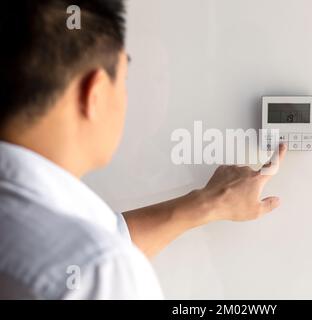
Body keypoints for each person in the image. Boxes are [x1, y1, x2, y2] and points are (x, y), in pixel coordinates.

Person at [0, 0, 286, 299]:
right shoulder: (102, 271)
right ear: (94, 93)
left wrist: (208, 203)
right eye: (126, 80)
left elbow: (89, 242)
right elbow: (90, 259)